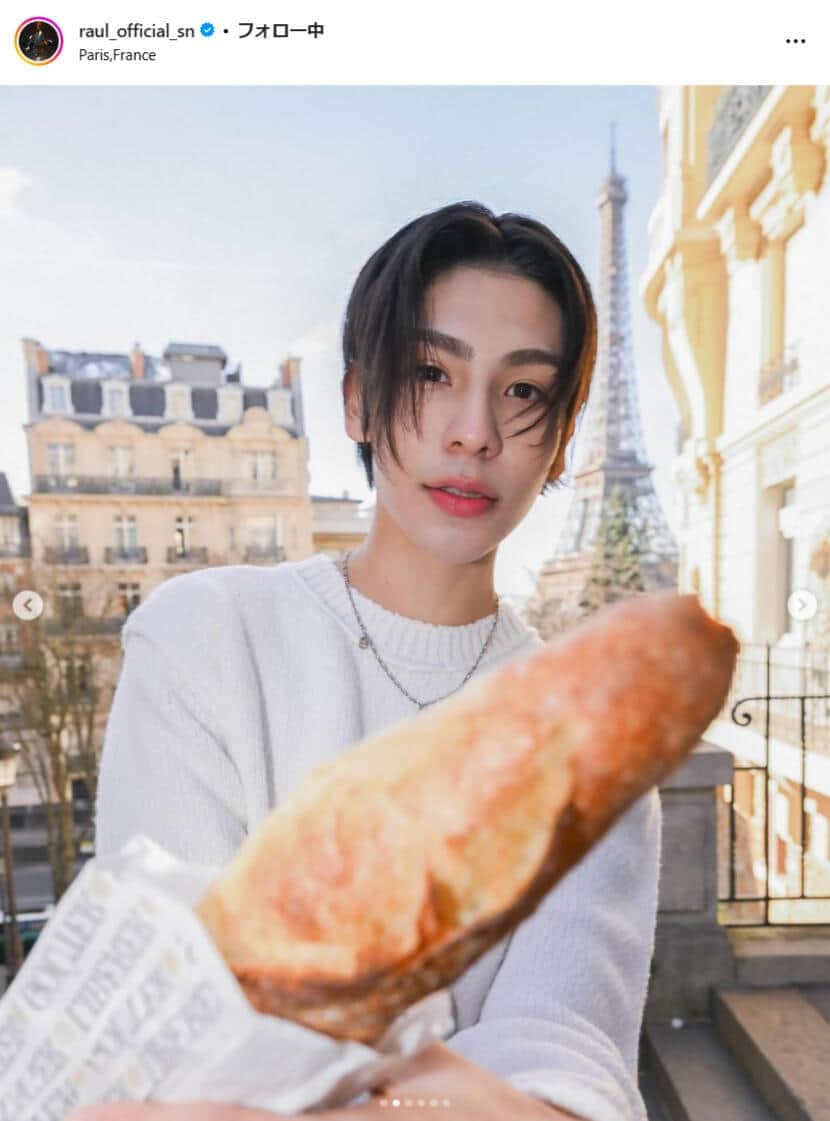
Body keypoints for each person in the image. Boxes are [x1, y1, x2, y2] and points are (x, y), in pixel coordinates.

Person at [71, 202, 661, 1121]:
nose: (474, 431)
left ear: (561, 438)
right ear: (356, 398)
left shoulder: (596, 754)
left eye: (522, 390)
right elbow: (180, 1042)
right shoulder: (205, 638)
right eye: (432, 372)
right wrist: (447, 1090)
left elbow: (565, 1072)